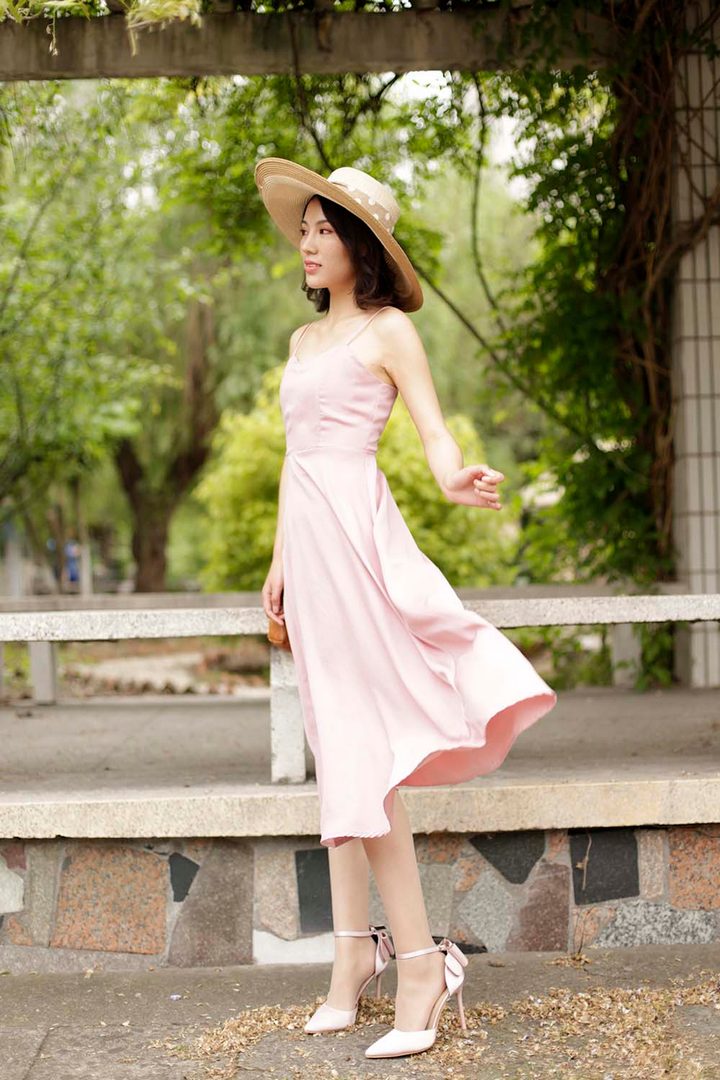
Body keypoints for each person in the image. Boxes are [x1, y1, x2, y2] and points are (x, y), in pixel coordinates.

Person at [255, 158, 558, 1061]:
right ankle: (354, 957)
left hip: (360, 544)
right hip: (310, 554)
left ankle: (422, 965)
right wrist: (277, 562)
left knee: (365, 754)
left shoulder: (388, 331)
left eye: (326, 229)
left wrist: (457, 479)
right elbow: (295, 458)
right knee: (337, 751)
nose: (309, 243)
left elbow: (433, 434)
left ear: (363, 245)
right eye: (305, 229)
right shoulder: (303, 342)